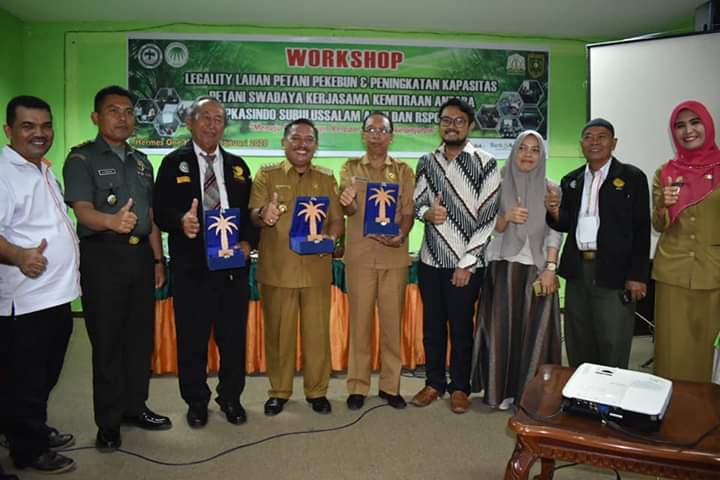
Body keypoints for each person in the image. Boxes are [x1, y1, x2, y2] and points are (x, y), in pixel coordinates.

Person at [63, 85, 171, 451]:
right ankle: (108, 422)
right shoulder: (81, 159)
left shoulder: (142, 161)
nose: (122, 118)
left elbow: (150, 216)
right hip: (103, 257)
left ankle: (135, 407)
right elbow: (82, 210)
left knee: (139, 339)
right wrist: (112, 222)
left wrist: (157, 259)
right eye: (113, 111)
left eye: (128, 111)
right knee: (107, 341)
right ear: (96, 117)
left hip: (140, 258)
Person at [154, 97, 256, 428]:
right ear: (190, 122)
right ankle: (196, 401)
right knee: (192, 340)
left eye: (219, 119)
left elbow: (251, 214)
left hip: (232, 270)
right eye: (206, 117)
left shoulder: (238, 166)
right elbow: (160, 210)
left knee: (233, 340)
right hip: (191, 269)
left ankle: (231, 397)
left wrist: (248, 242)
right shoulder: (174, 163)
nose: (212, 124)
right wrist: (180, 221)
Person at [0, 95, 79, 473]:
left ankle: (26, 428)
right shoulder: (4, 173)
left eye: (46, 126)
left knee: (45, 374)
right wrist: (18, 255)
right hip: (26, 300)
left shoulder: (43, 169)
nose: (40, 133)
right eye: (28, 126)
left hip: (56, 296)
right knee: (27, 379)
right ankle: (28, 449)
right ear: (9, 130)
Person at [411, 98, 501, 414]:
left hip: (465, 264)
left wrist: (467, 263)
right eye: (446, 120)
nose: (452, 126)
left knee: (462, 329)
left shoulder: (486, 162)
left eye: (459, 121)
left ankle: (460, 387)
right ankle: (434, 383)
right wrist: (427, 213)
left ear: (470, 125)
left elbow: (488, 218)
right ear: (439, 124)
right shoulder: (427, 161)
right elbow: (417, 202)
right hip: (431, 260)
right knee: (432, 327)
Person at [249, 119, 343, 416]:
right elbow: (253, 215)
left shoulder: (326, 178)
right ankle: (279, 391)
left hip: (316, 270)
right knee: (278, 336)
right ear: (283, 142)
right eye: (295, 138)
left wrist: (331, 239)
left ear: (316, 145)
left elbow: (336, 220)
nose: (302, 144)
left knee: (317, 336)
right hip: (278, 270)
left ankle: (317, 391)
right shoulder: (266, 175)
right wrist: (265, 214)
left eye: (309, 139)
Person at [545, 118, 650, 369]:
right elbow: (565, 224)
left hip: (615, 271)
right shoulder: (572, 180)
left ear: (614, 143)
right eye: (588, 137)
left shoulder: (632, 177)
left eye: (601, 137)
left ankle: (611, 391)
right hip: (577, 270)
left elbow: (641, 228)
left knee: (613, 340)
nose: (594, 142)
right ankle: (582, 390)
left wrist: (637, 276)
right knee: (578, 338)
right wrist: (555, 211)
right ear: (581, 143)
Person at [470, 130, 562, 411]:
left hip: (538, 269)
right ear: (514, 151)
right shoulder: (496, 184)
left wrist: (550, 268)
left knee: (534, 333)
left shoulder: (552, 189)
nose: (528, 154)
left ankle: (530, 394)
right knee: (503, 331)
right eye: (523, 148)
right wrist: (506, 218)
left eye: (535, 150)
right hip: (504, 267)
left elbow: (555, 232)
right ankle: (501, 392)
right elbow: (484, 226)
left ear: (542, 155)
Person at [339, 112, 415, 410]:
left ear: (391, 137)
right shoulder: (350, 168)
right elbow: (349, 208)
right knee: (359, 325)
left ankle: (390, 386)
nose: (376, 135)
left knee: (392, 326)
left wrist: (401, 234)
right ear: (363, 135)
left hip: (393, 257)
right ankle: (358, 385)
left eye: (382, 130)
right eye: (371, 129)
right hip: (360, 258)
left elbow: (407, 212)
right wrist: (348, 202)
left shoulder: (404, 171)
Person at [652, 100, 720, 382]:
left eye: (695, 122)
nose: (688, 130)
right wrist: (663, 206)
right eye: (680, 126)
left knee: (709, 351)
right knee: (672, 350)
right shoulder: (665, 172)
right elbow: (659, 225)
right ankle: (673, 404)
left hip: (714, 272)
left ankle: (708, 407)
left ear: (708, 125)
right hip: (673, 273)